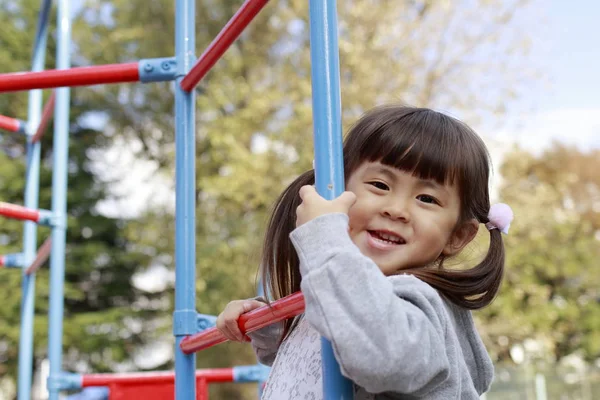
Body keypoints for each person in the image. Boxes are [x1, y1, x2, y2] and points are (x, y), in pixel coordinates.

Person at [216, 105, 513, 399]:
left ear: (457, 236)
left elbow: (379, 353)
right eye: (379, 184)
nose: (396, 210)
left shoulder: (417, 305)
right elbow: (314, 362)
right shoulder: (342, 294)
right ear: (339, 192)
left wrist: (325, 236)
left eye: (426, 198)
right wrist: (268, 323)